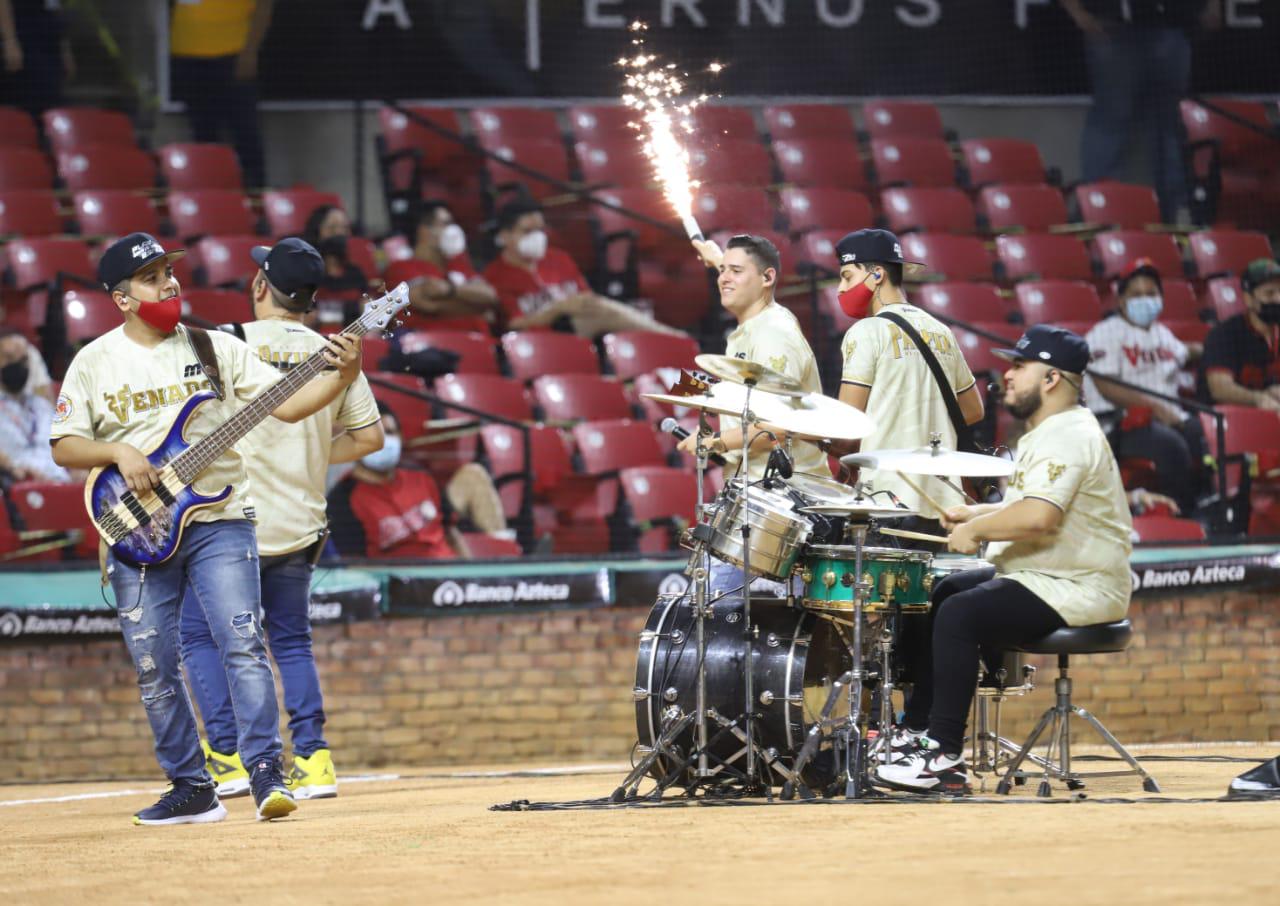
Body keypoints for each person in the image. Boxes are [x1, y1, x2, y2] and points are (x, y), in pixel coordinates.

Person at [50, 232, 362, 825]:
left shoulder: (213, 347)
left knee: (243, 641)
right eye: (152, 277)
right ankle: (191, 787)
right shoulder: (94, 361)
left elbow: (290, 406)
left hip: (220, 517)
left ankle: (268, 770)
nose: (169, 282)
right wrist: (116, 452)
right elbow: (64, 446)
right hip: (135, 527)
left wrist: (345, 375)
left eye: (170, 271)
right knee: (154, 666)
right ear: (121, 298)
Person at [876, 325, 1133, 795]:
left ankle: (944, 757)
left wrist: (975, 530)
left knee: (961, 612)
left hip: (1079, 586)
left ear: (1052, 378)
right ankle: (917, 732)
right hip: (1050, 575)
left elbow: (1038, 517)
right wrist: (977, 512)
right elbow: (1031, 503)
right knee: (947, 591)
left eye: (1019, 366)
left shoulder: (1068, 435)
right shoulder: (1053, 430)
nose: (1007, 376)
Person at [180, 238, 383, 803]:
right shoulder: (334, 352)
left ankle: (227, 758)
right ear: (311, 300)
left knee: (202, 636)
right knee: (290, 641)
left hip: (228, 520)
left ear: (260, 286)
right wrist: (314, 457)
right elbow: (371, 437)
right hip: (300, 522)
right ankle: (315, 761)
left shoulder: (224, 344)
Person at [679, 234, 829, 602]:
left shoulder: (774, 335)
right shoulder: (755, 324)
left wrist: (713, 442)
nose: (723, 279)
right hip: (757, 492)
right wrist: (719, 259)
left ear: (768, 278)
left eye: (735, 271)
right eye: (721, 271)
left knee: (711, 609)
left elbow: (779, 426)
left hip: (782, 499)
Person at [834, 228, 984, 544]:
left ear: (876, 275)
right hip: (943, 501)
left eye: (847, 276)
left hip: (888, 500)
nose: (840, 288)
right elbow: (973, 410)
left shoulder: (867, 331)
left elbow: (847, 426)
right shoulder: (941, 330)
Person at [1062, 0, 1217, 222]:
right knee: (1112, 123)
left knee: (1170, 128)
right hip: (1113, 28)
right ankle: (1099, 213)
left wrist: (1212, 5)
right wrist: (1077, 12)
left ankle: (1173, 217)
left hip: (1171, 26)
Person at [1085, 258, 1207, 516]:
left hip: (1168, 419)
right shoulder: (1105, 332)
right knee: (1172, 446)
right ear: (1121, 301)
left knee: (1205, 432)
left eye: (1151, 293)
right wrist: (1153, 406)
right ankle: (1182, 516)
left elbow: (1186, 353)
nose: (1145, 299)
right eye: (1136, 294)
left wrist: (1208, 350)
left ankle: (1208, 511)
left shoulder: (1162, 333)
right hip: (1119, 425)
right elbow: (1106, 386)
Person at [327, 403, 508, 560]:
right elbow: (354, 566)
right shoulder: (342, 500)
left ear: (400, 438)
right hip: (404, 590)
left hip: (448, 578)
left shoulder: (421, 478)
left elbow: (451, 534)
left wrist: (470, 580)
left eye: (389, 432)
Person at [482, 199, 684, 338]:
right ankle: (677, 340)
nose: (537, 237)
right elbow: (514, 325)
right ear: (505, 236)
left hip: (580, 326)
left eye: (540, 229)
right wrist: (558, 308)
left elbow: (586, 298)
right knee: (606, 311)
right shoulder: (495, 275)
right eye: (527, 231)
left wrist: (576, 303)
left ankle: (671, 347)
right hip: (542, 335)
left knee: (606, 310)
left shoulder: (558, 258)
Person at [169, 0, 272, 188]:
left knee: (244, 132)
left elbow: (264, 7)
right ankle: (211, 197)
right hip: (187, 56)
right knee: (203, 133)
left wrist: (250, 52)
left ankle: (254, 196)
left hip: (231, 55)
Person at [383, 200, 499, 324]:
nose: (454, 230)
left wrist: (450, 290)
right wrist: (478, 307)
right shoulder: (400, 268)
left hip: (478, 340)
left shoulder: (458, 267)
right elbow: (428, 305)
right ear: (424, 230)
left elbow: (491, 296)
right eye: (446, 224)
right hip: (433, 341)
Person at [1198, 259, 1280, 411]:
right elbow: (1220, 388)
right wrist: (1258, 398)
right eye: (1270, 293)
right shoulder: (1223, 334)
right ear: (1248, 299)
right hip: (1227, 422)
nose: (1278, 299)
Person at [0, 329, 68, 483]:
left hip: (60, 482)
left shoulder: (41, 406)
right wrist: (10, 469)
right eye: (9, 358)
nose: (17, 365)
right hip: (18, 484)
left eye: (23, 360)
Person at [0, 0, 72, 117]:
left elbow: (56, 7)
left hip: (49, 31)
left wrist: (64, 49)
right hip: (23, 28)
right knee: (27, 97)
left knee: (51, 97)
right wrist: (9, 40)